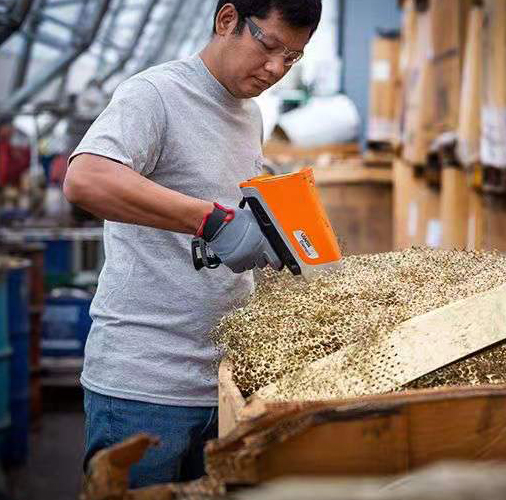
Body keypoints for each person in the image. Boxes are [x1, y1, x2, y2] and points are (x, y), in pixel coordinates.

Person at [63, 0, 322, 487]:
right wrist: (211, 221)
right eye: (269, 46)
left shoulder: (250, 115)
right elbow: (86, 179)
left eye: (292, 57)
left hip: (221, 383)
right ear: (227, 20)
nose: (275, 68)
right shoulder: (155, 94)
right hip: (144, 386)